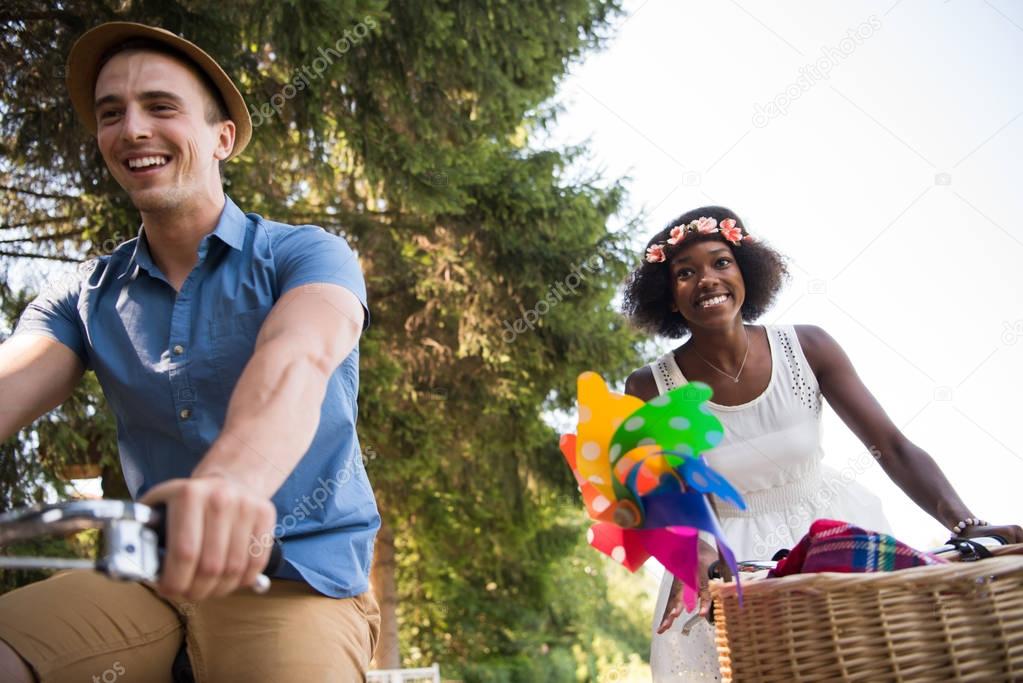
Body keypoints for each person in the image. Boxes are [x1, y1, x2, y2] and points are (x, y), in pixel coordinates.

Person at [0, 22, 380, 682]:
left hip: (294, 579)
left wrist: (230, 481)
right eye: (111, 113)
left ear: (222, 137)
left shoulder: (305, 255)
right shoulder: (82, 297)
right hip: (148, 577)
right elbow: (15, 378)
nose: (133, 128)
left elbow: (296, 359)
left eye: (160, 106)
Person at [621, 206, 1023, 682]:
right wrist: (692, 549)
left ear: (745, 273)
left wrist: (966, 522)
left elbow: (891, 447)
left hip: (833, 541)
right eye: (685, 273)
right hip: (723, 568)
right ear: (669, 298)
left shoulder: (808, 348)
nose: (707, 279)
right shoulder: (650, 387)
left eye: (721, 262)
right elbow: (662, 495)